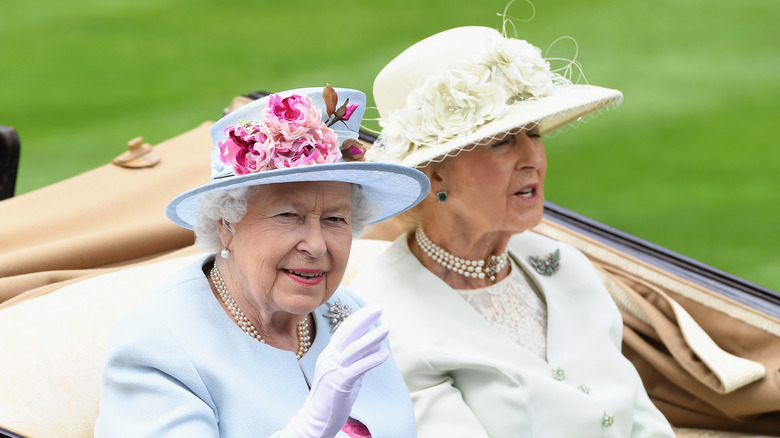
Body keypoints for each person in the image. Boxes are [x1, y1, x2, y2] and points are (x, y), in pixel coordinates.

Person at [349, 26, 677, 437]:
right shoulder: (384, 322)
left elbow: (643, 422)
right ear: (434, 176)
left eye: (534, 133)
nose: (533, 157)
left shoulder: (565, 267)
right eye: (502, 141)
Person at [94, 86, 429, 437]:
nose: (316, 246)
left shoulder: (351, 316)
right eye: (288, 215)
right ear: (226, 225)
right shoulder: (159, 346)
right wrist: (308, 429)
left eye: (335, 219)